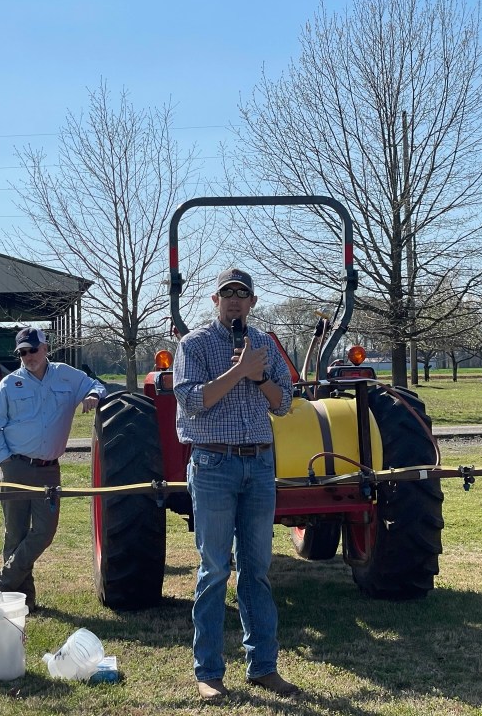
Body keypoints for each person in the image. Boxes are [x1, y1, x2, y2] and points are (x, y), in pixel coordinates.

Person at [172, 268, 300, 700]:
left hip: (259, 465)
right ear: (215, 300)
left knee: (257, 570)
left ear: (252, 302)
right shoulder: (193, 344)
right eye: (226, 293)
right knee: (214, 570)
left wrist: (258, 376)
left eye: (241, 294)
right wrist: (239, 371)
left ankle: (263, 667)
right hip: (213, 464)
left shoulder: (265, 344)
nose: (234, 300)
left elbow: (284, 403)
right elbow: (191, 400)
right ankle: (209, 672)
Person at [0, 326, 107, 610]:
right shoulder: (8, 385)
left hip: (49, 470)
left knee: (44, 532)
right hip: (14, 466)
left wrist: (93, 396)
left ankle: (0, 584)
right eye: (23, 353)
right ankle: (23, 600)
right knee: (15, 534)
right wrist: (6, 461)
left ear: (45, 349)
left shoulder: (66, 376)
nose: (29, 356)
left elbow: (96, 385)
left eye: (33, 350)